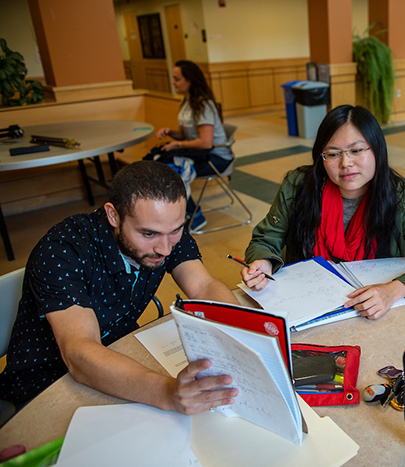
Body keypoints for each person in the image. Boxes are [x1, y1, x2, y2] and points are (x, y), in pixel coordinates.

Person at [0, 161, 239, 415]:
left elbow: (203, 285)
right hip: (44, 386)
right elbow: (79, 353)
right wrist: (166, 393)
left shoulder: (164, 230)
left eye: (176, 230)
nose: (165, 249)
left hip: (120, 354)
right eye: (148, 234)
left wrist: (245, 330)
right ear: (113, 215)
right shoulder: (62, 250)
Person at [241, 105, 405, 320]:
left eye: (356, 150)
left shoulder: (395, 194)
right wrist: (264, 262)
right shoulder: (298, 186)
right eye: (333, 154)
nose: (345, 163)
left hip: (373, 309)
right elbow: (265, 238)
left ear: (377, 150)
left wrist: (394, 290)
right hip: (309, 305)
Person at [155, 60, 232, 231]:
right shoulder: (187, 101)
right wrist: (172, 133)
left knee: (173, 172)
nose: (173, 82)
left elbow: (205, 142)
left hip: (216, 158)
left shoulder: (203, 104)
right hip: (201, 153)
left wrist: (176, 145)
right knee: (163, 166)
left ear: (189, 81)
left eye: (177, 79)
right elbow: (191, 135)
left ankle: (194, 214)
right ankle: (183, 212)